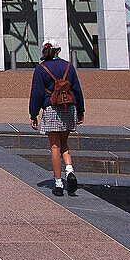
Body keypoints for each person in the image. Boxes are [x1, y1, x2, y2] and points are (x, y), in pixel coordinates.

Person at [29, 39, 85, 196]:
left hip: (52, 107)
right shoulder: (68, 66)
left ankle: (58, 183)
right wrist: (81, 110)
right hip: (69, 107)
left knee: (55, 146)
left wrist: (33, 114)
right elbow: (77, 90)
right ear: (58, 51)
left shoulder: (41, 69)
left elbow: (37, 93)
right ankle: (70, 170)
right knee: (65, 142)